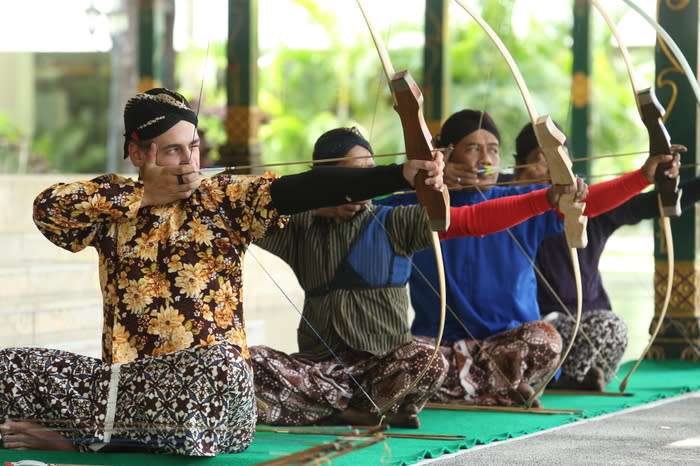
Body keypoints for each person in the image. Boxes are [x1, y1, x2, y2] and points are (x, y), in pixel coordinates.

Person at [0, 88, 445, 455]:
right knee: (9, 368)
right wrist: (143, 198)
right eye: (172, 151)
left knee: (223, 365)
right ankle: (116, 432)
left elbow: (300, 189)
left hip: (210, 396)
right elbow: (49, 209)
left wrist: (401, 174)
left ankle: (85, 436)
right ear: (137, 152)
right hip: (126, 385)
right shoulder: (114, 202)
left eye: (193, 148)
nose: (189, 163)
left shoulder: (222, 198)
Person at [249, 126, 587, 428]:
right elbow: (241, 210)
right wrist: (314, 206)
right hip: (321, 372)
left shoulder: (395, 220)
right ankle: (363, 407)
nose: (366, 182)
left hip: (385, 368)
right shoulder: (297, 227)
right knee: (248, 363)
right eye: (353, 175)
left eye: (371, 172)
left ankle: (346, 407)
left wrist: (546, 199)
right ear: (323, 180)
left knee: (426, 360)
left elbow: (473, 219)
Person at [377, 109, 680, 407]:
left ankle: (475, 387)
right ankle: (499, 388)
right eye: (473, 149)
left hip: (509, 345)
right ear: (446, 155)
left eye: (493, 150)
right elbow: (370, 207)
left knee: (545, 340)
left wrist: (643, 177)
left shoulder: (519, 201)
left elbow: (585, 203)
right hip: (442, 344)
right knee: (405, 356)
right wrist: (424, 181)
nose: (486, 159)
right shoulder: (416, 208)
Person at [512, 121, 692, 390]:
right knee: (545, 338)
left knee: (611, 329)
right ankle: (564, 376)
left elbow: (652, 205)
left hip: (592, 327)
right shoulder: (505, 204)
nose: (553, 168)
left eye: (561, 158)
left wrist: (661, 180)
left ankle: (575, 376)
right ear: (518, 167)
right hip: (537, 328)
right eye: (542, 158)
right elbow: (482, 196)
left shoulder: (590, 205)